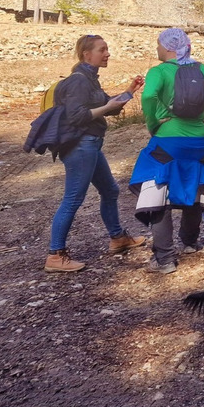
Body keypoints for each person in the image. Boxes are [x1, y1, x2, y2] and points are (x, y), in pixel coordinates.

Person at [130, 28, 204, 274]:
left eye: (158, 44)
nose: (156, 49)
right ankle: (189, 243)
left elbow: (148, 96)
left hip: (168, 143)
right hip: (198, 143)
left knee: (158, 193)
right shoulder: (203, 70)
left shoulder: (158, 71)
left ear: (167, 47)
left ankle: (165, 259)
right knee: (194, 185)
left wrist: (154, 124)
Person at [44, 34, 147, 273]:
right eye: (102, 50)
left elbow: (106, 109)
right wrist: (108, 107)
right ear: (86, 54)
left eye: (107, 49)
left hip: (90, 145)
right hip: (81, 147)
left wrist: (129, 91)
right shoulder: (79, 81)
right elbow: (76, 116)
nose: (107, 53)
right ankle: (55, 255)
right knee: (72, 200)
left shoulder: (90, 79)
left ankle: (118, 238)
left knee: (110, 190)